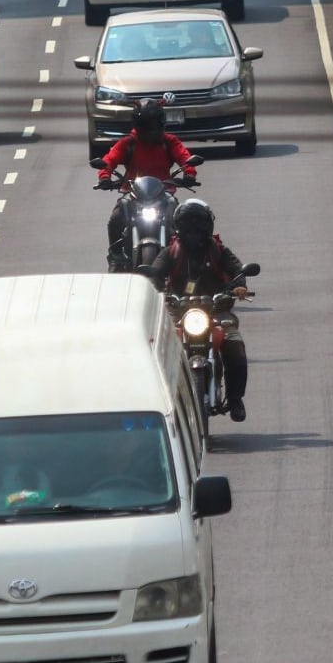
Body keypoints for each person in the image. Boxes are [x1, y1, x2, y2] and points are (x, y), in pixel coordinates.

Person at [147, 199, 252, 422]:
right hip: (178, 312)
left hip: (217, 311)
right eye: (188, 224)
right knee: (156, 349)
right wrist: (153, 288)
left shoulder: (219, 251)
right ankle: (159, 400)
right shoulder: (170, 253)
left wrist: (240, 286)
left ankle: (235, 398)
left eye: (198, 224)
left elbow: (237, 270)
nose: (194, 230)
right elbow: (154, 273)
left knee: (235, 345)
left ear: (208, 225)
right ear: (178, 226)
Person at [99, 98, 197, 271]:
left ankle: (184, 255)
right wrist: (104, 176)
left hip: (164, 193)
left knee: (182, 218)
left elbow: (185, 157)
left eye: (154, 125)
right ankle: (115, 254)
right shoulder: (128, 143)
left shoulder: (169, 142)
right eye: (146, 125)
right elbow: (109, 160)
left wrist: (189, 173)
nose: (150, 130)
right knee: (116, 217)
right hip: (133, 194)